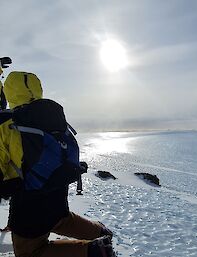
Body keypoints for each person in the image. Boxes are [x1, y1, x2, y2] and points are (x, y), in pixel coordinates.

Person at [0, 71, 115, 257]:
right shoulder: (52, 117)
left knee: (30, 253)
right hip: (58, 195)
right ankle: (100, 232)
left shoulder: (7, 126)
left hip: (29, 205)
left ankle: (94, 251)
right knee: (60, 219)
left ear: (8, 93)